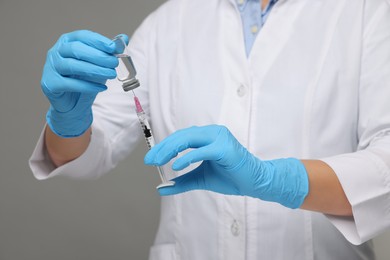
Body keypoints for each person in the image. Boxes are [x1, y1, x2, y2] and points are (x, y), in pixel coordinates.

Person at [29, 0, 390, 259]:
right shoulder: (168, 22)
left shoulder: (366, 12)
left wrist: (280, 180)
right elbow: (85, 153)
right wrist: (67, 119)